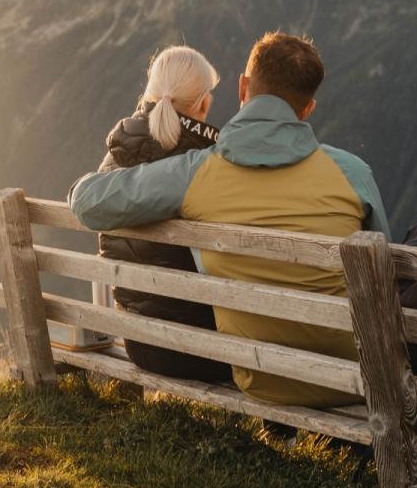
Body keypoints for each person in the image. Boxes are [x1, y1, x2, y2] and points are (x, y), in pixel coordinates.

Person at [70, 32, 389, 407]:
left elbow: (87, 201)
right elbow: (385, 281)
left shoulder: (197, 173)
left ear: (242, 87)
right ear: (307, 109)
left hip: (259, 376)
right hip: (357, 372)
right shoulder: (353, 174)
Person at [94, 46, 233, 383]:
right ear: (203, 103)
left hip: (139, 344)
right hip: (205, 352)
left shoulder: (113, 160)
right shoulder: (206, 165)